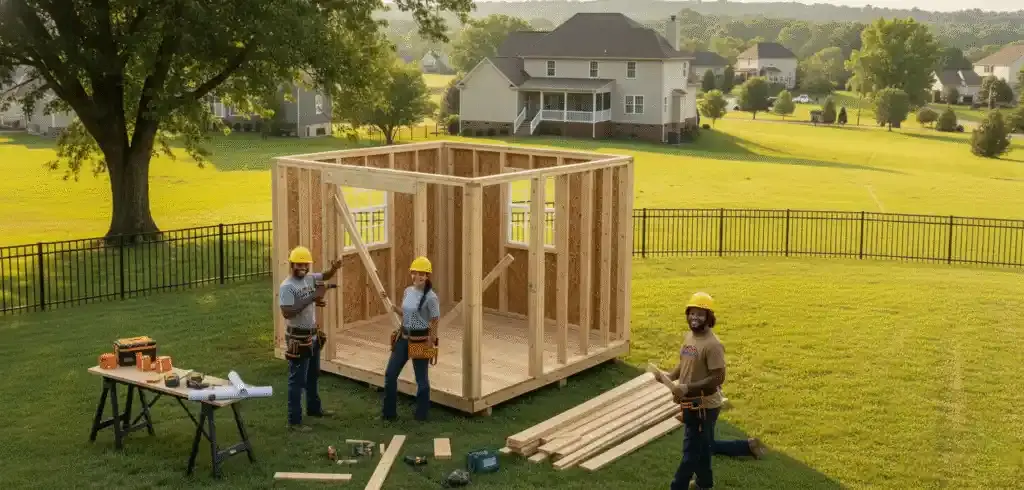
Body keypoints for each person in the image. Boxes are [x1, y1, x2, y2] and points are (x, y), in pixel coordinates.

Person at [654, 291, 729, 490]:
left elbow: (718, 378)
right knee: (701, 447)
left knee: (691, 451)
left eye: (700, 314)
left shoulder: (713, 345)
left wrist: (688, 387)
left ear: (709, 317)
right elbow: (685, 363)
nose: (695, 318)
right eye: (692, 313)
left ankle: (677, 487)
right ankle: (704, 483)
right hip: (689, 402)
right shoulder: (690, 337)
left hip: (704, 406)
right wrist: (670, 376)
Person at [278, 245, 341, 432]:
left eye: (306, 264)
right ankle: (294, 421)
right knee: (297, 381)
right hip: (297, 337)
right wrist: (312, 298)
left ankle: (314, 409)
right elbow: (287, 312)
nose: (303, 267)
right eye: (299, 264)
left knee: (313, 375)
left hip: (312, 335)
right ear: (292, 264)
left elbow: (326, 276)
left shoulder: (310, 278)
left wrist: (334, 268)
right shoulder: (287, 286)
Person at [382, 256, 440, 422]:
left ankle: (421, 415)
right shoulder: (408, 291)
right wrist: (395, 309)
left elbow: (435, 320)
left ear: (427, 276)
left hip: (421, 339)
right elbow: (407, 314)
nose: (417, 276)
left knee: (421, 380)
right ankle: (389, 414)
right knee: (390, 374)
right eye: (415, 273)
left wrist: (431, 341)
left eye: (422, 274)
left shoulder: (431, 297)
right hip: (403, 338)